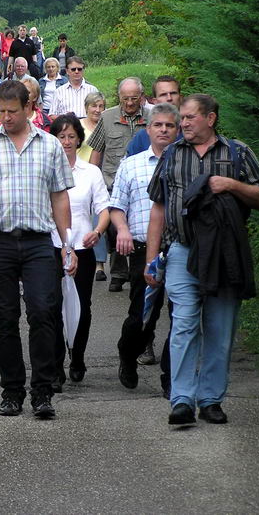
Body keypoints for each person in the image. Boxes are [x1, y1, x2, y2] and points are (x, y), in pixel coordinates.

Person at [0, 81, 77, 419]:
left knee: (42, 311)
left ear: (28, 108)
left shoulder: (50, 145)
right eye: (1, 111)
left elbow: (59, 196)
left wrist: (68, 244)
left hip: (39, 241)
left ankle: (42, 390)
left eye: (12, 111)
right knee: (5, 318)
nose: (5, 117)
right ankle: (12, 391)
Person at [146, 94, 259, 426]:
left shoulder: (237, 152)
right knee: (183, 325)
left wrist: (231, 184)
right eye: (181, 118)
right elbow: (158, 206)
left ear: (210, 119)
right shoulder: (171, 153)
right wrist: (151, 258)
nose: (182, 123)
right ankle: (182, 400)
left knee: (219, 328)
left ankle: (211, 399)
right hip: (181, 252)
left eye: (189, 117)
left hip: (224, 254)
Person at [109, 103, 179, 391]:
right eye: (158, 125)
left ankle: (171, 379)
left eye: (169, 126)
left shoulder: (183, 164)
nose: (163, 130)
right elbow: (116, 206)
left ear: (177, 130)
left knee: (180, 318)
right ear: (148, 129)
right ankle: (128, 353)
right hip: (141, 250)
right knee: (142, 317)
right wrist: (122, 229)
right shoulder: (131, 164)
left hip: (179, 250)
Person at [49, 115, 110, 390]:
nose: (66, 142)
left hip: (84, 247)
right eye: (61, 136)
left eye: (71, 136)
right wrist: (63, 245)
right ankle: (56, 362)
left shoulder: (91, 172)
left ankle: (78, 357)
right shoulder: (46, 170)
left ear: (79, 140)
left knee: (82, 306)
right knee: (53, 308)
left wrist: (98, 231)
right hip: (51, 245)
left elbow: (103, 208)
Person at [88, 77, 149, 293]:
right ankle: (118, 272)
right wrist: (91, 182)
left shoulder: (152, 118)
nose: (130, 103)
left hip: (145, 185)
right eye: (125, 99)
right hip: (113, 184)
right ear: (119, 98)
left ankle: (140, 270)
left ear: (142, 97)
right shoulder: (107, 117)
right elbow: (96, 151)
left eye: (134, 98)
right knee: (114, 229)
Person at [78, 91, 108, 280]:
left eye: (101, 106)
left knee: (98, 219)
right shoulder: (79, 126)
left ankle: (100, 264)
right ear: (86, 107)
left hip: (98, 178)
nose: (97, 110)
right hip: (77, 177)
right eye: (93, 106)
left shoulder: (107, 125)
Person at [126, 76, 183, 157]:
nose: (169, 98)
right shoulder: (142, 137)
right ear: (154, 101)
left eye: (173, 93)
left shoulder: (190, 134)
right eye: (163, 95)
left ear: (180, 98)